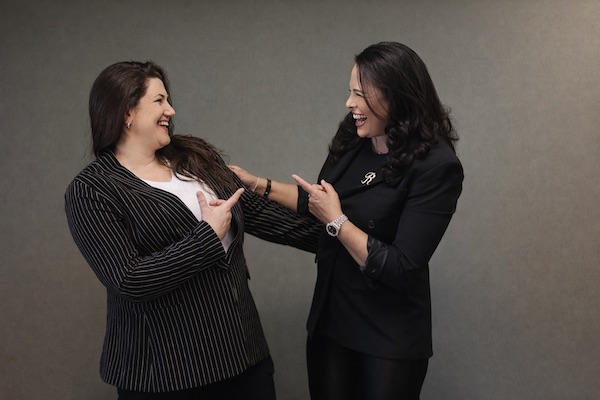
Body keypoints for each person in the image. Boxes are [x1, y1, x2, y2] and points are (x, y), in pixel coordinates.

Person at [64, 61, 320, 400]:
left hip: (244, 359)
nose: (170, 110)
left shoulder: (194, 157)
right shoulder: (91, 190)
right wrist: (206, 237)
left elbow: (263, 216)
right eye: (159, 101)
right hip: (165, 375)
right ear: (127, 112)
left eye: (168, 100)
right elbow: (129, 279)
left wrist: (343, 234)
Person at [229, 42, 464, 400]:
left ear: (396, 96)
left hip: (387, 336)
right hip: (332, 321)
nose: (349, 104)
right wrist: (258, 184)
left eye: (360, 94)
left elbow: (400, 267)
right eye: (350, 91)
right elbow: (320, 201)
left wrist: (337, 221)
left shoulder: (437, 167)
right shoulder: (354, 139)